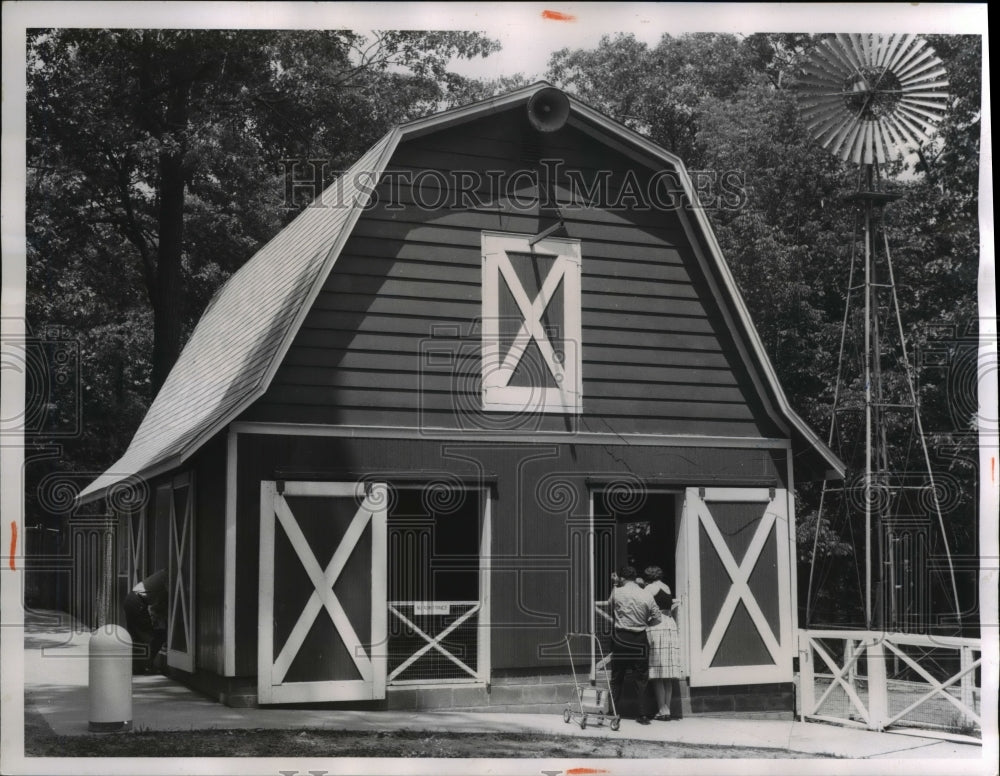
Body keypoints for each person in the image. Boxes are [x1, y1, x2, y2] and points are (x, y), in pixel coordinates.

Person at [608, 565, 661, 725]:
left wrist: (615, 585)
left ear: (622, 578)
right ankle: (643, 714)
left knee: (617, 676)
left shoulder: (617, 592)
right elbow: (657, 618)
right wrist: (645, 622)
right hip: (639, 637)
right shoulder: (646, 594)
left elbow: (611, 606)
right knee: (641, 677)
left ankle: (613, 711)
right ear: (635, 577)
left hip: (621, 637)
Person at [643, 565, 682, 721]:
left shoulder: (650, 589)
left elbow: (643, 605)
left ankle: (662, 709)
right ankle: (667, 709)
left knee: (658, 671)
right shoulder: (666, 587)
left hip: (657, 625)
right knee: (667, 673)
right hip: (669, 624)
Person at [123, 569, 168, 674]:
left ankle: (136, 667)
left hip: (131, 600)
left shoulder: (162, 574)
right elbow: (171, 596)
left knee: (136, 637)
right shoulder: (169, 576)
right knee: (149, 636)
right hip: (138, 602)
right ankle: (145, 666)